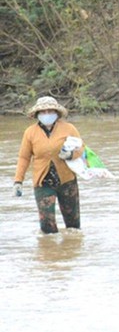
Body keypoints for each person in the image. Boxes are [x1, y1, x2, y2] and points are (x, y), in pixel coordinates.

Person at [13, 96, 85, 234]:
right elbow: (24, 158)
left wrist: (70, 155)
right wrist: (18, 181)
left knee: (73, 226)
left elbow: (81, 149)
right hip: (43, 183)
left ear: (56, 113)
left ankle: (70, 252)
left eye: (50, 111)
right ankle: (49, 252)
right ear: (37, 114)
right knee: (47, 227)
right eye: (43, 112)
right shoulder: (30, 133)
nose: (47, 114)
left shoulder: (69, 128)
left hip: (67, 181)